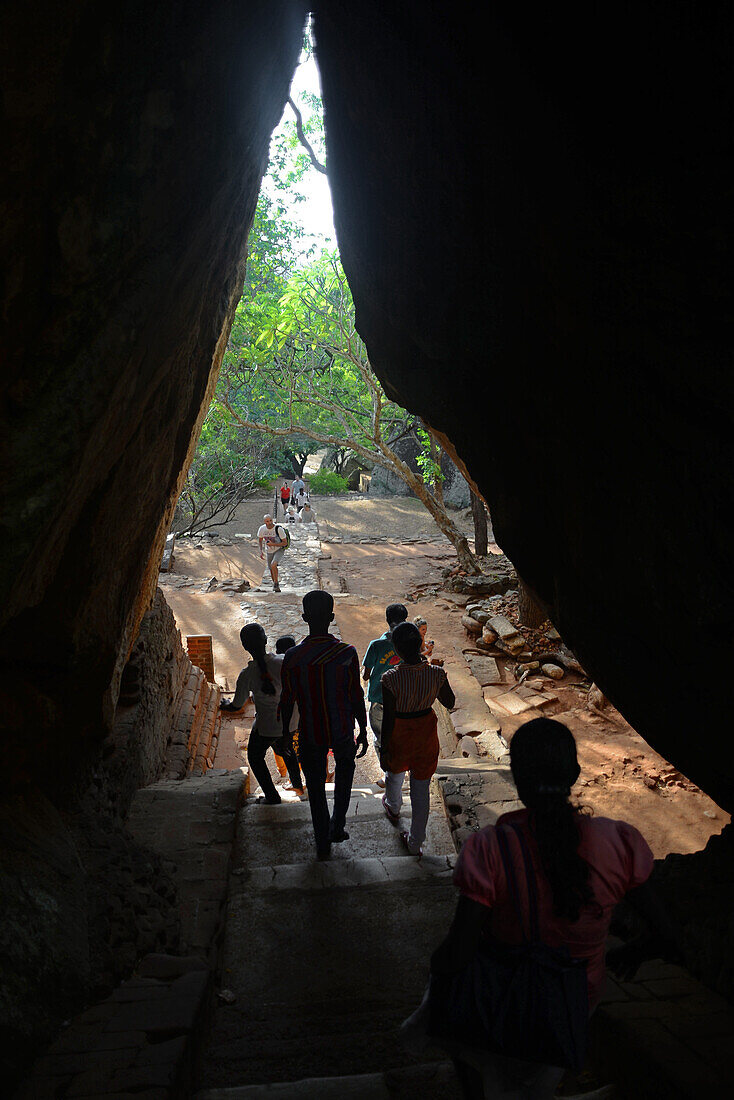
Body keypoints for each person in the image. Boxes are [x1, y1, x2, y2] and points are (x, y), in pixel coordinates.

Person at [428, 717, 673, 1099]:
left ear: (515, 776)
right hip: (576, 997)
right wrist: (628, 953)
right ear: (575, 773)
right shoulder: (620, 842)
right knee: (537, 1075)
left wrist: (436, 979)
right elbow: (665, 935)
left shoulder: (489, 849)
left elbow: (456, 953)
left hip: (504, 998)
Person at [280, 590, 368, 860]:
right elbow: (356, 695)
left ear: (304, 617)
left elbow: (287, 700)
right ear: (331, 617)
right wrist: (362, 729)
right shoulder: (347, 653)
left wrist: (286, 734)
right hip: (341, 728)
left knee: (315, 786)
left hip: (310, 732)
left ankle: (322, 840)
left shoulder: (294, 657)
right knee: (344, 775)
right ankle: (337, 824)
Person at [380, 622, 455, 856]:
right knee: (420, 790)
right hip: (425, 735)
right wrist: (440, 679)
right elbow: (450, 702)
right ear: (421, 645)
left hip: (400, 734)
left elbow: (389, 718)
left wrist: (384, 749)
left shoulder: (390, 678)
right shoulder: (436, 674)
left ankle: (393, 807)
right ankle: (415, 842)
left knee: (395, 774)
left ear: (396, 650)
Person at [219, 624, 303, 804]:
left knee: (255, 757)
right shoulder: (283, 662)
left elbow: (237, 705)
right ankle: (298, 785)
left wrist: (225, 705)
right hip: (290, 723)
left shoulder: (247, 674)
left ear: (244, 646)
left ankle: (272, 796)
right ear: (266, 641)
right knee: (286, 749)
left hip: (266, 727)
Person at [362, 603, 408, 787]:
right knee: (400, 734)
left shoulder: (376, 645)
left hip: (378, 698)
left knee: (381, 738)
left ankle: (389, 775)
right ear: (405, 620)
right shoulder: (409, 643)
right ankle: (402, 773)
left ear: (387, 620)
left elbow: (366, 675)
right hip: (402, 698)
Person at [273, 635, 305, 794]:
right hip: (301, 716)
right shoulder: (301, 664)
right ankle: (300, 781)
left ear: (277, 651)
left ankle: (292, 779)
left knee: (285, 748)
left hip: (283, 717)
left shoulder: (274, 666)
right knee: (299, 748)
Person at [257, 514, 287, 593]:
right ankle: (275, 584)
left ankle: (276, 583)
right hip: (269, 551)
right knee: (271, 569)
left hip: (279, 549)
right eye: (267, 521)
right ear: (264, 522)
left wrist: (273, 544)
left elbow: (285, 543)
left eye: (270, 520)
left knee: (274, 564)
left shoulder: (278, 529)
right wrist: (261, 551)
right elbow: (260, 540)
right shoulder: (262, 529)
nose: (269, 522)